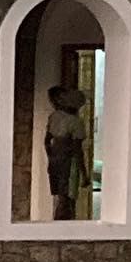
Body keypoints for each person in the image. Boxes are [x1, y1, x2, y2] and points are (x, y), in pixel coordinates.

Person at [44, 85, 89, 221]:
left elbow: (47, 141)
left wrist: (52, 156)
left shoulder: (54, 117)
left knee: (59, 198)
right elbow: (77, 150)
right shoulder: (75, 122)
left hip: (55, 161)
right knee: (67, 202)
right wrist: (84, 174)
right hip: (69, 164)